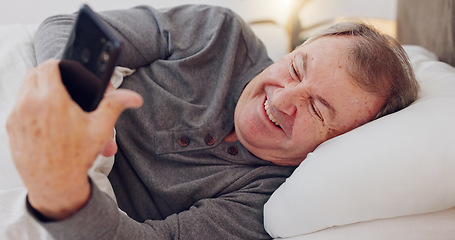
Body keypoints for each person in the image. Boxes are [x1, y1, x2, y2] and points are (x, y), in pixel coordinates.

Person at [6, 4, 419, 240]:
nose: (283, 97)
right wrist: (73, 97)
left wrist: (59, 189)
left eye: (318, 109)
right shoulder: (219, 33)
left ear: (340, 143)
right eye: (295, 68)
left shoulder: (267, 203)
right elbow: (64, 27)